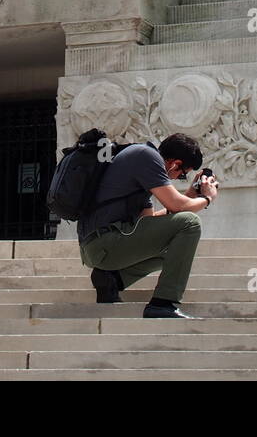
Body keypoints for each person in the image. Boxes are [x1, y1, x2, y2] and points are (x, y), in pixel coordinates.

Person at [78, 132, 218, 319]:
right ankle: (163, 303)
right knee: (190, 223)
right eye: (182, 174)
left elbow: (148, 222)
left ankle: (111, 279)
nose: (177, 178)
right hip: (104, 242)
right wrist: (207, 198)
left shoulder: (141, 161)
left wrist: (191, 195)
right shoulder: (146, 157)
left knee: (174, 251)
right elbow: (177, 206)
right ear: (175, 164)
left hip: (100, 244)